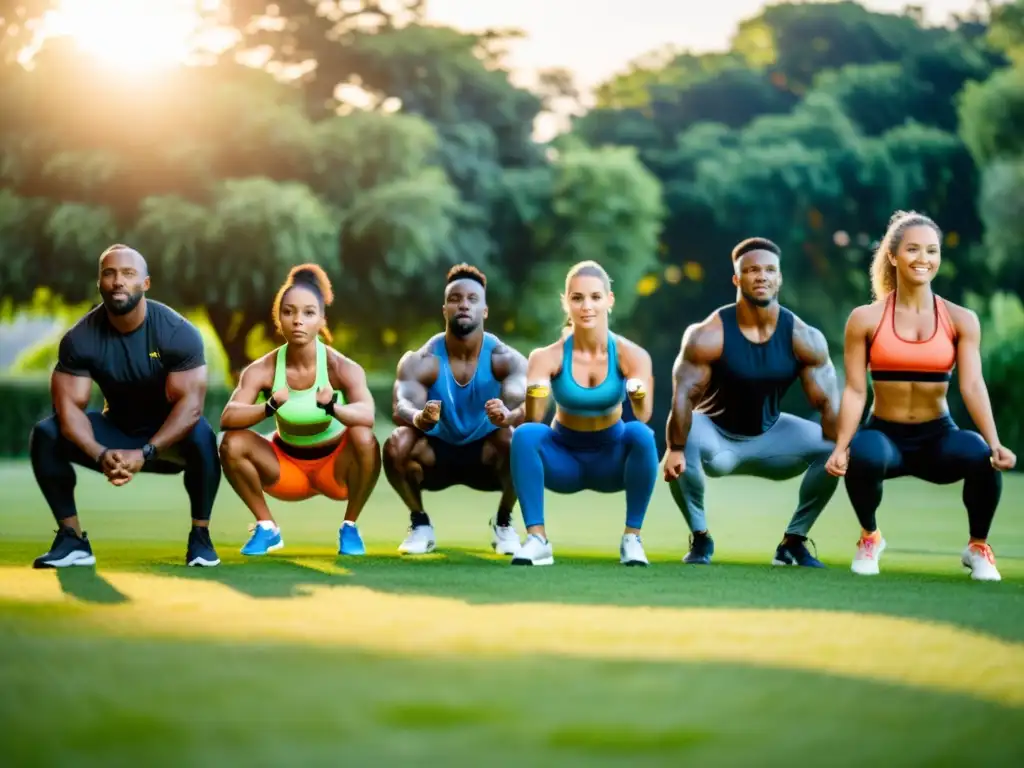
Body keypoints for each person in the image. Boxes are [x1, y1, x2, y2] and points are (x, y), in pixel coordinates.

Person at [825, 211, 1015, 581]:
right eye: (913, 249)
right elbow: (854, 388)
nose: (923, 258)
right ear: (893, 256)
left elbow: (973, 385)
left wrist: (995, 442)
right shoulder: (865, 318)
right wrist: (840, 445)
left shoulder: (961, 319)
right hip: (885, 435)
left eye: (932, 250)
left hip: (937, 438)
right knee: (862, 453)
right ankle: (870, 537)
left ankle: (978, 546)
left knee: (979, 455)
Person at [29, 244, 221, 568]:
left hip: (169, 439)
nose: (118, 281)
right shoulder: (80, 339)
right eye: (110, 273)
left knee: (203, 435)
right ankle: (72, 540)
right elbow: (68, 410)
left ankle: (200, 538)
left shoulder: (176, 332)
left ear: (145, 283)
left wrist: (145, 452)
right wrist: (100, 454)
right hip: (116, 431)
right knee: (46, 434)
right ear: (100, 283)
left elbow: (190, 407)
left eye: (128, 274)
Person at [663, 237, 841, 567]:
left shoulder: (804, 337)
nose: (762, 276)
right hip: (717, 440)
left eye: (770, 270)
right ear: (737, 279)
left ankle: (793, 543)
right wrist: (674, 448)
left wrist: (842, 448)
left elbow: (829, 404)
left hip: (772, 438)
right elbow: (684, 397)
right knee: (681, 438)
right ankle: (701, 540)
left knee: (835, 446)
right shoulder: (707, 335)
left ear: (780, 278)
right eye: (753, 270)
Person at [218, 264, 381, 557]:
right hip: (286, 470)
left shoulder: (341, 367)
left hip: (336, 472)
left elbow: (367, 415)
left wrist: (333, 408)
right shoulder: (263, 368)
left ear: (321, 320)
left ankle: (350, 526)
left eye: (308, 313)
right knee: (231, 443)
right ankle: (267, 528)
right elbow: (229, 417)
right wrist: (268, 408)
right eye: (289, 312)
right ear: (278, 319)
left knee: (364, 438)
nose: (297, 321)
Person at [509, 260, 659, 567]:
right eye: (577, 298)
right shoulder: (545, 356)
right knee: (525, 435)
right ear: (566, 302)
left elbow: (643, 415)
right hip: (564, 457)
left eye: (595, 297)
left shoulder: (633, 355)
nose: (586, 306)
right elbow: (534, 419)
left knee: (642, 434)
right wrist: (536, 390)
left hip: (611, 460)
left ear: (609, 300)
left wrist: (637, 393)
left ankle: (632, 538)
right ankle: (538, 539)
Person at [384, 264, 527, 555]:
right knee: (396, 443)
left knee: (518, 440)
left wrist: (507, 413)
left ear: (485, 311)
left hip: (486, 458)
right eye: (455, 299)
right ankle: (420, 522)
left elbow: (522, 401)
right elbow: (401, 405)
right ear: (445, 309)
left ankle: (503, 522)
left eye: (473, 299)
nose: (463, 304)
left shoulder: (505, 358)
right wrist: (419, 418)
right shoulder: (422, 359)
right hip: (434, 456)